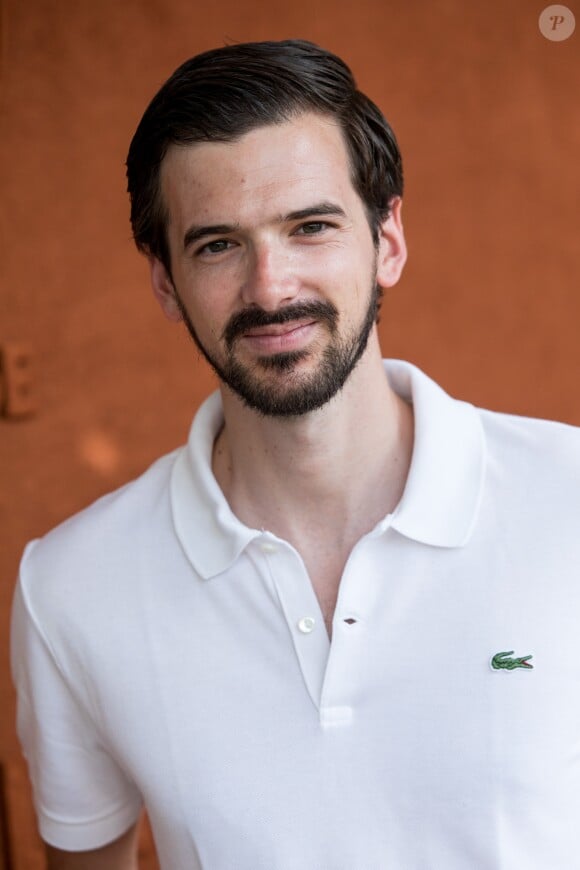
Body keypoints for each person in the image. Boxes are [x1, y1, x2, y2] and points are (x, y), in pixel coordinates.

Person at [10, 39, 580, 870]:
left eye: (310, 227)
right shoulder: (69, 588)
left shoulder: (568, 498)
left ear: (387, 239)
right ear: (165, 283)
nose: (270, 289)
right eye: (217, 246)